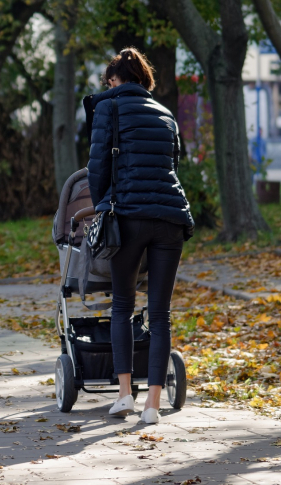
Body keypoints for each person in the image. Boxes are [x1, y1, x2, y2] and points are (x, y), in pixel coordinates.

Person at [87, 48, 194, 425]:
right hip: (171, 218)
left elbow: (97, 167)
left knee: (121, 305)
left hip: (128, 216)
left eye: (109, 82)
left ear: (115, 80)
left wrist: (103, 208)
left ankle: (124, 396)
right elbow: (174, 166)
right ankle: (153, 406)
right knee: (160, 312)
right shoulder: (166, 114)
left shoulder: (107, 107)